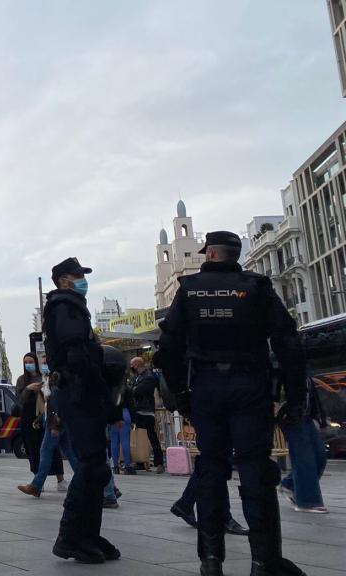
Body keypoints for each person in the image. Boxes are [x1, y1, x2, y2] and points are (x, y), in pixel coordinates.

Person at [156, 231, 307, 576]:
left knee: (211, 467)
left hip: (206, 388)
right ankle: (264, 561)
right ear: (234, 254)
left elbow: (169, 349)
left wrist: (180, 395)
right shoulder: (256, 286)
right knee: (255, 469)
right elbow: (288, 341)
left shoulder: (189, 289)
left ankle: (211, 561)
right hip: (250, 385)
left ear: (209, 253)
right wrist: (295, 395)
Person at [42, 257, 121, 564]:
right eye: (77, 276)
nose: (81, 280)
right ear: (63, 280)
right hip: (78, 392)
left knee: (95, 466)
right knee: (90, 466)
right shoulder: (66, 306)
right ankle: (70, 537)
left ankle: (88, 533)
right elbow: (76, 353)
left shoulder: (70, 306)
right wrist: (95, 389)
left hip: (81, 392)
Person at [279, 375, 328, 514]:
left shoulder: (305, 373)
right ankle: (307, 501)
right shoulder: (283, 366)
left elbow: (314, 398)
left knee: (320, 456)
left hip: (306, 416)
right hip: (292, 416)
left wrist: (321, 419)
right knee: (304, 457)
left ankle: (290, 484)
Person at [16, 355, 65, 487]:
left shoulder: (44, 377)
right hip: (28, 417)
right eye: (26, 362)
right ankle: (38, 482)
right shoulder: (22, 380)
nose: (28, 364)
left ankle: (60, 479)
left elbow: (52, 395)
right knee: (33, 449)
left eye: (31, 362)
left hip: (45, 415)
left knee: (52, 448)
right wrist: (28, 389)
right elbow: (19, 400)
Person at [128, 357, 165, 473]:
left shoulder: (149, 376)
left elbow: (138, 391)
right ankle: (140, 461)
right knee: (138, 437)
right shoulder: (136, 377)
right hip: (137, 410)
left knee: (151, 436)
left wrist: (132, 389)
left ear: (137, 364)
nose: (131, 367)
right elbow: (131, 390)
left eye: (132, 365)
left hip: (146, 411)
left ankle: (159, 462)